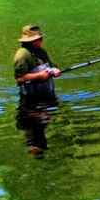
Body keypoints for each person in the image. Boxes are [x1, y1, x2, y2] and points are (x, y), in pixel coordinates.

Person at [13, 25, 61, 154]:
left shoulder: (41, 51)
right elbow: (19, 78)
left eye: (40, 38)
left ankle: (38, 147)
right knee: (33, 123)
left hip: (47, 93)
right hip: (30, 98)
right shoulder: (22, 55)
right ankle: (33, 147)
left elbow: (51, 65)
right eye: (37, 39)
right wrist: (39, 76)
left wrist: (55, 69)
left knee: (46, 119)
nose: (41, 40)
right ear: (28, 40)